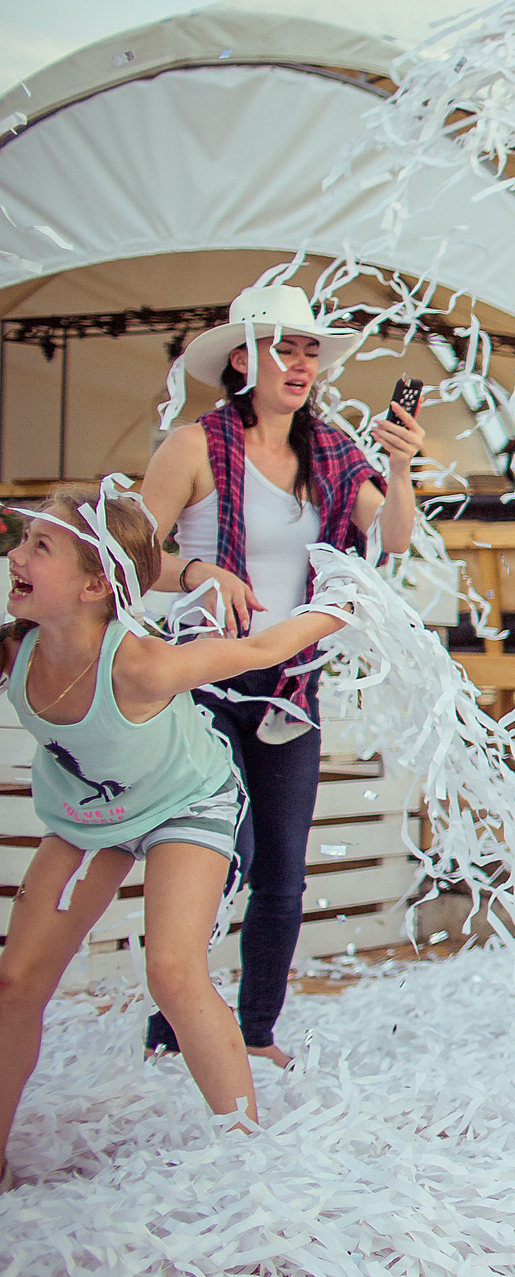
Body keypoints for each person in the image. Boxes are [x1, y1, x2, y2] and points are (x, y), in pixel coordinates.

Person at [0, 487, 349, 1181]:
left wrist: (338, 606)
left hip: (184, 803)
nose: (15, 555)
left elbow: (260, 646)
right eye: (22, 541)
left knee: (172, 971)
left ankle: (249, 1157)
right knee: (15, 982)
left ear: (95, 585)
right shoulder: (16, 649)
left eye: (40, 546)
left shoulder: (142, 663)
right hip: (89, 814)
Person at [138, 283, 424, 1067]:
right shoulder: (194, 446)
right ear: (243, 360)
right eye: (284, 349)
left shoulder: (331, 450)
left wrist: (400, 468)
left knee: (283, 874)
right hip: (202, 681)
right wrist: (199, 570)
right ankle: (173, 1030)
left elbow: (391, 538)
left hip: (290, 686)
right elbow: (128, 555)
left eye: (310, 352)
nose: (301, 364)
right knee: (218, 858)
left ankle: (255, 1032)